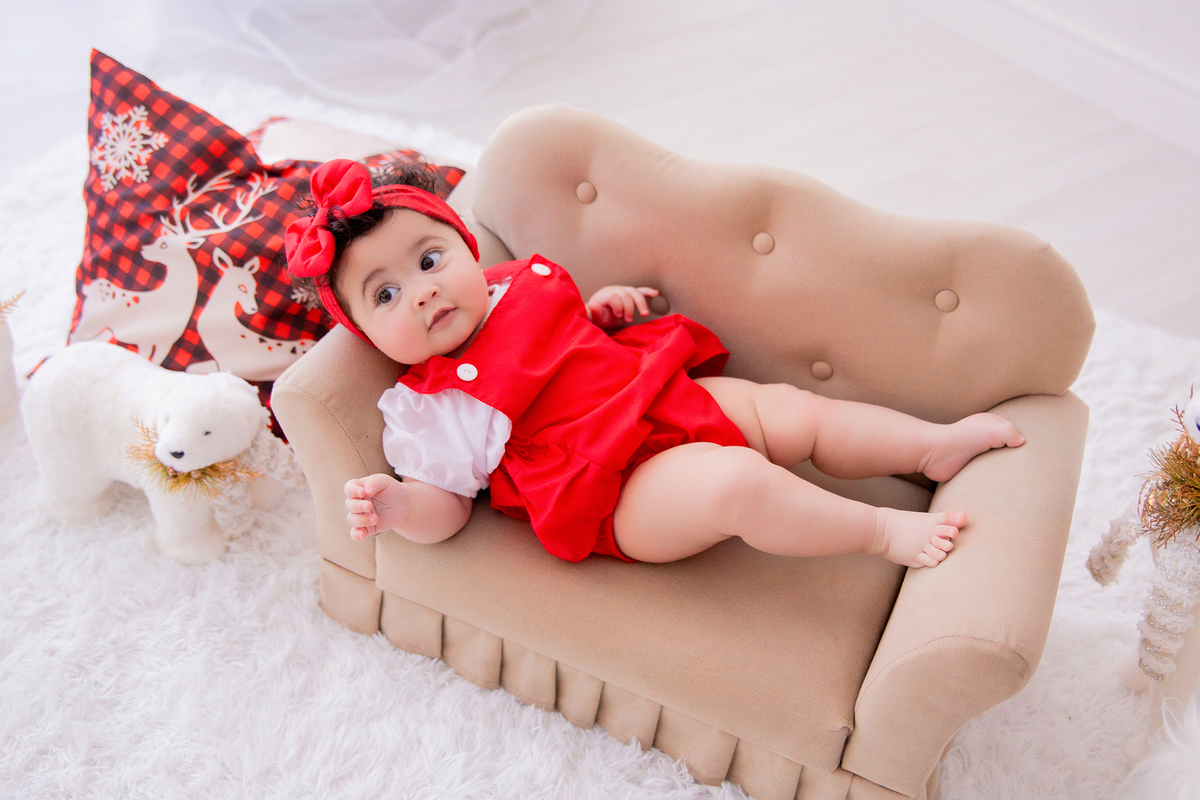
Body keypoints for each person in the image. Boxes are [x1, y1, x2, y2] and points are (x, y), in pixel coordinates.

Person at [285, 159, 1025, 568]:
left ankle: (930, 445)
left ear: (465, 248)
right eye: (386, 294)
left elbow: (563, 335)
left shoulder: (510, 287)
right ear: (368, 336)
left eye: (429, 259)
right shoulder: (431, 407)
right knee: (734, 482)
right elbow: (445, 509)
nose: (423, 292)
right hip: (618, 491)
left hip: (658, 397)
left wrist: (598, 311)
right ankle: (878, 533)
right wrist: (401, 506)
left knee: (793, 411)